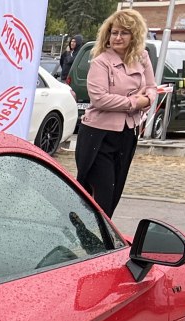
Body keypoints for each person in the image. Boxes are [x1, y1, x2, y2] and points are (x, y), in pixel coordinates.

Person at [73, 9, 154, 216]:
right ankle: (89, 238)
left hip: (127, 134)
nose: (117, 37)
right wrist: (135, 101)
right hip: (98, 136)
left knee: (115, 193)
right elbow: (99, 98)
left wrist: (148, 99)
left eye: (124, 33)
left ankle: (99, 239)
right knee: (101, 197)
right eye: (114, 32)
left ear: (134, 35)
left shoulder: (142, 57)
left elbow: (152, 88)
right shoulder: (101, 61)